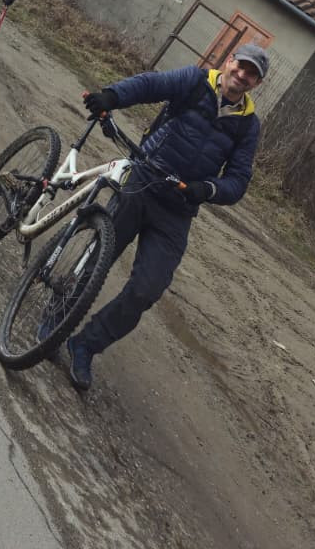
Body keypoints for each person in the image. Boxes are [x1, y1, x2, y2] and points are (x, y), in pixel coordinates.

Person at [60, 43, 268, 393]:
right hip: (143, 180)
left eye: (252, 74)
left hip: (178, 208)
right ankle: (58, 314)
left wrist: (207, 189)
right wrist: (112, 96)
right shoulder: (195, 81)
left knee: (147, 289)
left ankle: (85, 345)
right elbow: (150, 84)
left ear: (256, 84)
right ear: (229, 61)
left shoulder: (248, 126)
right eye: (241, 65)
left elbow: (238, 180)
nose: (243, 75)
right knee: (98, 258)